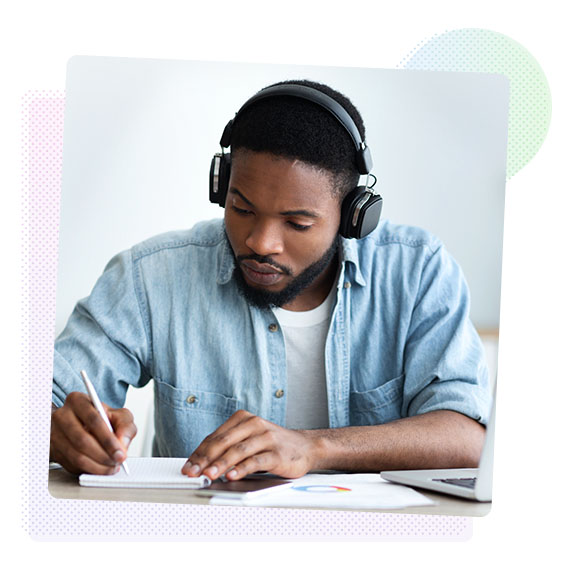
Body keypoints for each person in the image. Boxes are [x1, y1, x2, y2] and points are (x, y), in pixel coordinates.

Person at [50, 79, 491, 481]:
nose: (260, 242)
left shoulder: (418, 273)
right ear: (222, 188)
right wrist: (60, 431)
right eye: (241, 209)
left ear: (352, 216)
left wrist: (313, 447)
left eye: (297, 223)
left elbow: (466, 438)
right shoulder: (152, 276)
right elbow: (41, 398)